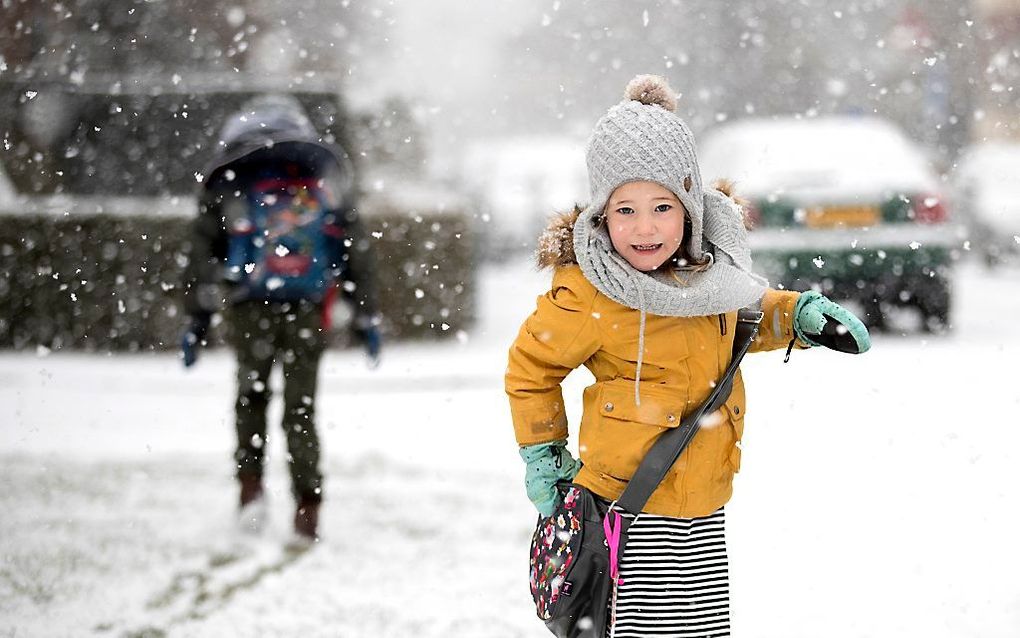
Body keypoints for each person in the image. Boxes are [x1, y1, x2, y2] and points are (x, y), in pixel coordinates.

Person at [505, 75, 871, 637]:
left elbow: (747, 315)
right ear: (602, 216)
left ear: (690, 210)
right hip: (629, 508)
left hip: (702, 508)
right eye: (624, 210)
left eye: (661, 207)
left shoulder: (711, 277)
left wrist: (796, 316)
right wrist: (544, 455)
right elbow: (531, 369)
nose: (644, 228)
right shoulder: (590, 292)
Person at [180, 94, 381, 542]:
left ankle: (250, 494)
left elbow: (201, 253)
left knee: (251, 396)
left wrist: (195, 318)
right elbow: (353, 247)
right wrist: (366, 313)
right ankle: (308, 508)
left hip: (248, 304)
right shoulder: (317, 175)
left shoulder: (232, 179)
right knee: (301, 407)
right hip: (308, 306)